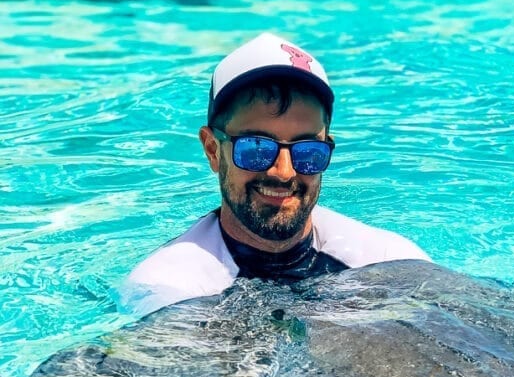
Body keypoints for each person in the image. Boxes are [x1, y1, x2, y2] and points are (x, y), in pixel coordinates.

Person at [119, 32, 430, 316]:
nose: (283, 172)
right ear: (213, 150)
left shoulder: (390, 262)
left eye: (307, 151)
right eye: (256, 148)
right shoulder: (168, 291)